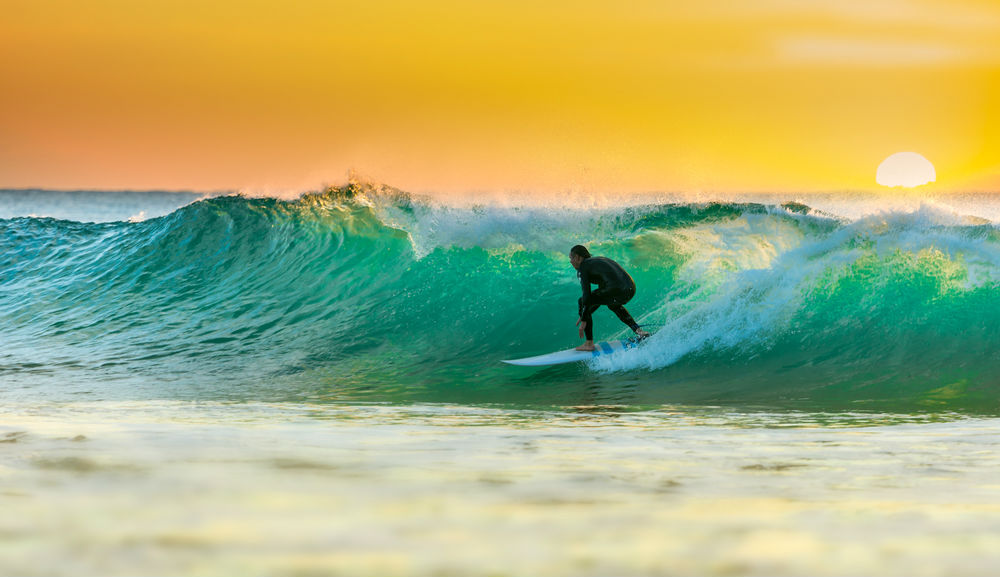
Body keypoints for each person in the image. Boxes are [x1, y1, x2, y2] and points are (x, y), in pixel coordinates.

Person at [569, 244, 650, 351]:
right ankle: (639, 331)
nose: (570, 261)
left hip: (616, 289)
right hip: (630, 288)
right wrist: (586, 313)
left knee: (582, 301)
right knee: (613, 305)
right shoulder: (597, 262)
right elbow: (599, 298)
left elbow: (587, 296)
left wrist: (584, 318)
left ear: (578, 258)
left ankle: (589, 343)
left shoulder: (583, 268)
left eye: (571, 258)